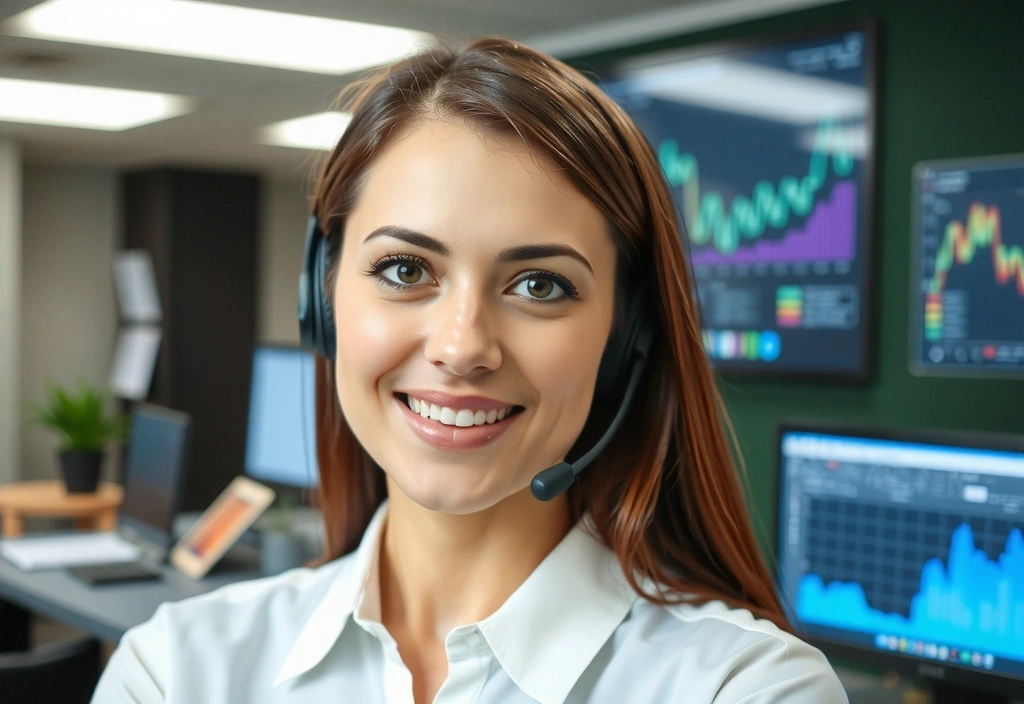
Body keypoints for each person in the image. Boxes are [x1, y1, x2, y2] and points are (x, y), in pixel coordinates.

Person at [92, 37, 848, 704]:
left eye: (540, 285)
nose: (462, 347)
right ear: (320, 301)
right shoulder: (176, 671)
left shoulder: (743, 688)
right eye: (403, 268)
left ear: (626, 339)